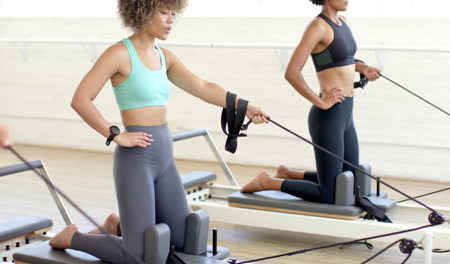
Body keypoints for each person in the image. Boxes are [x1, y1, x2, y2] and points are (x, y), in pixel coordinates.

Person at [48, 0, 269, 263]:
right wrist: (115, 134)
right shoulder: (119, 53)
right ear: (142, 11)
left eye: (173, 13)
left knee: (180, 240)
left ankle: (115, 226)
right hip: (136, 160)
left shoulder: (165, 57)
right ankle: (73, 238)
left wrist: (245, 106)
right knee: (138, 255)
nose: (171, 19)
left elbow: (203, 86)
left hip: (164, 156)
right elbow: (81, 99)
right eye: (164, 12)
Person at [241, 0, 380, 204]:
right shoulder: (318, 27)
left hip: (346, 112)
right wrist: (321, 102)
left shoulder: (343, 22)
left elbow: (344, 60)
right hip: (328, 116)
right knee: (330, 194)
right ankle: (267, 182)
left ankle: (288, 173)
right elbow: (292, 73)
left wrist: (364, 69)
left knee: (351, 180)